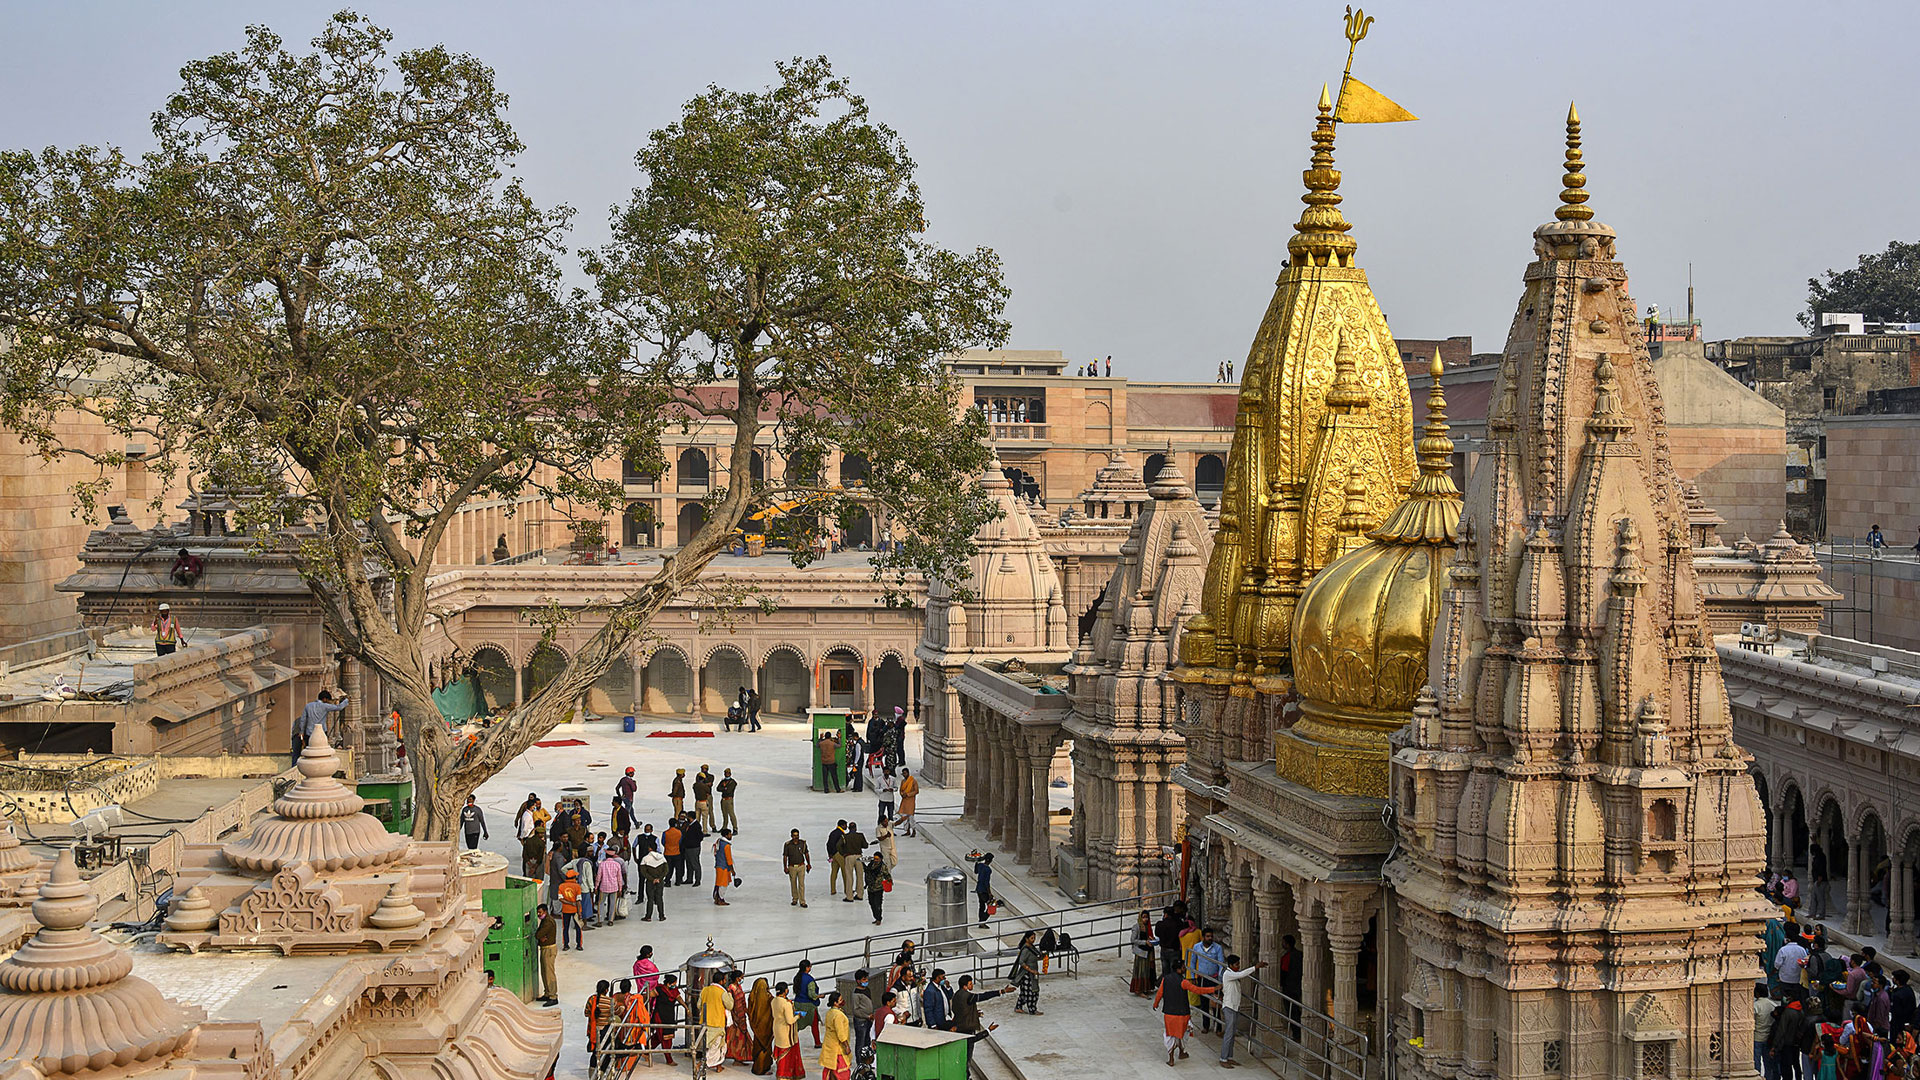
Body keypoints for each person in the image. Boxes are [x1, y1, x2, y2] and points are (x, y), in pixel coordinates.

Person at [1155, 961, 1219, 1067]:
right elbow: (1198, 990)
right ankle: (1181, 1052)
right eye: (1183, 967)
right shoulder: (1183, 982)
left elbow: (1160, 993)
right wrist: (1213, 989)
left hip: (1169, 1014)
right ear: (1179, 969)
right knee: (1182, 1034)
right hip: (1182, 1014)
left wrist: (1155, 1003)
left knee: (1170, 1035)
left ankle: (1171, 1058)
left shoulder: (1165, 979)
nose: (1185, 969)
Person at [1217, 954, 1266, 1068]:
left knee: (1232, 1033)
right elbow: (1241, 974)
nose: (1238, 966)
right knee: (1228, 1033)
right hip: (1229, 1007)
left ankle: (1229, 1057)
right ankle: (1223, 1058)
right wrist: (1255, 967)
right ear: (1230, 965)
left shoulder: (1232, 975)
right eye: (1236, 964)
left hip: (1234, 1007)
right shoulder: (1228, 974)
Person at [293, 690, 349, 764]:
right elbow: (339, 707)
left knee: (310, 754)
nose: (328, 702)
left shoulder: (308, 706)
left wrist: (301, 732)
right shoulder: (324, 706)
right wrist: (346, 700)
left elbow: (303, 720)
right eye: (328, 700)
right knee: (321, 753)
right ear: (324, 699)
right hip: (321, 733)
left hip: (309, 733)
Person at [1187, 927, 1226, 1033]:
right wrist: (1193, 976)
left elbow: (1220, 964)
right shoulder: (1197, 947)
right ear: (1203, 937)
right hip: (1202, 978)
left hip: (1213, 979)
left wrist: (1220, 979)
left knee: (1215, 1003)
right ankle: (1205, 1025)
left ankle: (1218, 1027)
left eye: (1211, 936)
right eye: (1208, 936)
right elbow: (1193, 962)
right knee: (1204, 1003)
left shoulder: (1217, 948)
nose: (1210, 938)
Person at [951, 975, 1013, 1040]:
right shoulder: (968, 996)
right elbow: (984, 996)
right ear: (965, 986)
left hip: (958, 1024)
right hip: (966, 1027)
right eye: (970, 984)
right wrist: (1001, 991)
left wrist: (973, 1013)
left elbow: (961, 1009)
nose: (972, 985)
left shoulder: (956, 994)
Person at [701, 971, 732, 1074]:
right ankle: (700, 1064)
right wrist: (729, 995)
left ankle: (718, 1066)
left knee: (714, 1047)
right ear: (722, 981)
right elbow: (730, 1006)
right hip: (717, 1023)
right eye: (724, 979)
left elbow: (698, 1005)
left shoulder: (705, 990)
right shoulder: (722, 992)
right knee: (715, 1047)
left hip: (705, 1022)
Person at [773, 981, 803, 1078]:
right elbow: (790, 1020)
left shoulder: (774, 1001)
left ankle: (780, 1074)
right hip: (785, 1031)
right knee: (786, 1056)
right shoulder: (786, 1004)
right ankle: (783, 1075)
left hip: (777, 1028)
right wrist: (798, 1016)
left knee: (780, 1051)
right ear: (785, 991)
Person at [652, 974, 684, 1066]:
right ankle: (669, 1059)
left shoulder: (674, 990)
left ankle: (644, 1050)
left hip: (669, 1017)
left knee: (659, 1037)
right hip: (660, 1017)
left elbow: (679, 999)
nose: (675, 985)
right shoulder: (659, 990)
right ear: (668, 983)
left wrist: (686, 1008)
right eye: (674, 983)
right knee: (665, 1039)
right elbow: (649, 995)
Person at [820, 992, 853, 1080]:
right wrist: (846, 1046)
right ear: (835, 1003)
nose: (842, 1001)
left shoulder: (830, 1012)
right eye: (840, 1000)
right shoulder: (838, 1015)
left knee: (830, 1070)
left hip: (829, 1046)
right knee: (842, 1073)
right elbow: (841, 1034)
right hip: (837, 1048)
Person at [517, 795, 548, 880]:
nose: (535, 807)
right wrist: (524, 838)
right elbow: (525, 829)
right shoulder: (527, 816)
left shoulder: (529, 814)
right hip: (528, 837)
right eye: (534, 806)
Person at [1012, 931, 1043, 1015]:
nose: (1033, 940)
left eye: (1034, 938)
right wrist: (1031, 970)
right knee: (1031, 992)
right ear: (1027, 939)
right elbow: (1021, 962)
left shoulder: (1032, 947)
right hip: (1027, 974)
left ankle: (1018, 1007)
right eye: (1032, 938)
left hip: (1033, 973)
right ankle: (1032, 1009)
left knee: (1025, 992)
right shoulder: (1025, 949)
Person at [587, 979, 616, 1069]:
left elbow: (586, 1013)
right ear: (607, 990)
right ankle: (602, 1073)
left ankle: (592, 1073)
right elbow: (616, 1013)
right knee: (606, 1052)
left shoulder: (591, 999)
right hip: (605, 1030)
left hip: (593, 1030)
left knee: (595, 1053)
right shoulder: (610, 1001)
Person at [1279, 934, 1303, 1040]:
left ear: (1287, 944)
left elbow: (1284, 972)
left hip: (1289, 987)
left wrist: (1281, 984)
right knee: (1296, 1010)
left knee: (1292, 1011)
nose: (1282, 944)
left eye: (1283, 942)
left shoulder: (1287, 957)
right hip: (1298, 986)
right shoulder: (1300, 954)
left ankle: (1297, 1034)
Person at [533, 904, 558, 1006]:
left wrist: (540, 936)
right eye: (538, 913)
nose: (539, 914)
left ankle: (553, 996)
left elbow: (538, 934)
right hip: (544, 948)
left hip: (549, 949)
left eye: (540, 912)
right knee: (544, 972)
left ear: (545, 911)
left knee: (549, 973)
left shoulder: (548, 922)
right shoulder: (545, 920)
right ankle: (547, 993)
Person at [848, 970, 876, 1063]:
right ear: (858, 981)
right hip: (861, 1022)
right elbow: (856, 1010)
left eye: (866, 979)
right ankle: (860, 1062)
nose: (866, 981)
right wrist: (867, 1016)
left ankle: (867, 1060)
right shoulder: (856, 993)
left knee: (867, 1041)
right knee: (860, 1042)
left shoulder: (867, 990)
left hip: (868, 1020)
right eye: (864, 979)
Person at [794, 960, 822, 1048]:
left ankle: (793, 1040)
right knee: (814, 1024)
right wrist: (819, 996)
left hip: (798, 1004)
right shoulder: (809, 979)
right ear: (807, 968)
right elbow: (811, 995)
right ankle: (817, 1042)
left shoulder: (797, 977)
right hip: (809, 1006)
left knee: (796, 1024)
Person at [750, 977, 775, 1075]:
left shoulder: (752, 997)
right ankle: (762, 1069)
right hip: (766, 1028)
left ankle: (758, 1067)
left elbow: (750, 1012)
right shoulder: (769, 998)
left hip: (756, 1028)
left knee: (758, 1047)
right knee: (765, 1048)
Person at [596, 846, 626, 926]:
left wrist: (596, 887)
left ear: (606, 855)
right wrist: (620, 889)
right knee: (613, 904)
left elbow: (598, 877)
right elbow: (619, 878)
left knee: (601, 903)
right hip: (614, 887)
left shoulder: (602, 864)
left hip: (603, 887)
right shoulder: (617, 865)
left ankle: (600, 920)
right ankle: (611, 920)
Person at [728, 972, 753, 1064]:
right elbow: (731, 1003)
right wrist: (734, 1016)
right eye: (741, 977)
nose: (741, 979)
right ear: (737, 978)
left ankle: (740, 1057)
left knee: (741, 1038)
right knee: (737, 1038)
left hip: (742, 1015)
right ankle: (737, 1057)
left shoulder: (738, 987)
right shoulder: (731, 988)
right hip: (736, 1016)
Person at [1131, 911, 1158, 995]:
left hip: (1148, 952)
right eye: (1144, 917)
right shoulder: (1137, 927)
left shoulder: (1148, 927)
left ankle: (1146, 988)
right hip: (1141, 952)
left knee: (1147, 971)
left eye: (1147, 917)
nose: (1145, 919)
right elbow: (1133, 940)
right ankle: (1139, 989)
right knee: (1141, 971)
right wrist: (1145, 942)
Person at [556, 868, 584, 950]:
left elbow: (560, 898)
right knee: (578, 928)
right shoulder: (577, 887)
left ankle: (566, 945)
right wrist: (579, 913)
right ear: (573, 878)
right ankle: (579, 945)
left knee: (565, 928)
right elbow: (578, 900)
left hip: (565, 910)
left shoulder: (561, 886)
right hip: (575, 911)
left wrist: (568, 903)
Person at [1756, 983, 1779, 1080]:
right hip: (1769, 1038)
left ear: (1757, 993)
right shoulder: (1773, 1005)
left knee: (1756, 1063)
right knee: (1768, 1063)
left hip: (1757, 1037)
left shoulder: (1756, 1006)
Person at [783, 828, 811, 907]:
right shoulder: (787, 845)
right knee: (793, 883)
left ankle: (802, 901)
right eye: (794, 835)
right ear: (791, 836)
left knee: (801, 884)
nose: (796, 837)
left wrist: (809, 864)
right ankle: (795, 899)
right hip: (792, 867)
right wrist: (785, 867)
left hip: (801, 866)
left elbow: (806, 854)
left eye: (797, 835)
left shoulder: (803, 843)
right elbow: (785, 856)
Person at [840, 824, 868, 901]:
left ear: (849, 828)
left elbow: (838, 846)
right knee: (860, 876)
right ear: (856, 828)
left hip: (849, 856)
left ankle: (849, 896)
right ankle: (860, 895)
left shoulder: (845, 837)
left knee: (849, 876)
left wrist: (843, 853)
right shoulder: (860, 835)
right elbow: (865, 845)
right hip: (859, 856)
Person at [640, 847, 668, 921]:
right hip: (660, 881)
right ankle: (661, 916)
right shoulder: (662, 858)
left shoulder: (645, 859)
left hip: (650, 882)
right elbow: (666, 870)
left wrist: (652, 879)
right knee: (659, 898)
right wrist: (659, 878)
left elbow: (643, 872)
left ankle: (648, 916)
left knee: (650, 899)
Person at [864, 852, 892, 925]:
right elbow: (867, 872)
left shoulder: (883, 867)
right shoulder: (871, 865)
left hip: (878, 888)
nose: (876, 860)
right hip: (870, 888)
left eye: (877, 859)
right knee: (871, 903)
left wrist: (889, 882)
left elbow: (887, 875)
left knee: (878, 904)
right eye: (875, 858)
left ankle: (879, 918)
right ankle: (876, 917)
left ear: (881, 859)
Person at [714, 828, 737, 906]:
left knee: (719, 882)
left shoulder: (719, 841)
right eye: (730, 834)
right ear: (726, 835)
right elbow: (729, 859)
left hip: (718, 865)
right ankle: (721, 899)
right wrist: (732, 870)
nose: (731, 836)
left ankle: (717, 898)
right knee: (723, 884)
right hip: (724, 867)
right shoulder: (727, 846)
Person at [683, 816, 707, 887]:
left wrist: (694, 843)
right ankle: (689, 879)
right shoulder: (689, 825)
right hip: (688, 847)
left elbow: (700, 836)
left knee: (695, 864)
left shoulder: (696, 826)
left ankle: (697, 880)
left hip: (693, 848)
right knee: (689, 864)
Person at [973, 853, 995, 926]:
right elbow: (986, 882)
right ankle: (982, 921)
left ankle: (981, 921)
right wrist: (989, 893)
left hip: (978, 888)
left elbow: (975, 871)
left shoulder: (980, 866)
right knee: (991, 906)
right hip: (984, 890)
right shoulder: (988, 870)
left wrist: (976, 862)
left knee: (981, 906)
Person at [693, 765, 717, 831]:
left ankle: (713, 825)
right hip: (702, 796)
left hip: (708, 796)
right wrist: (705, 784)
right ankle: (700, 828)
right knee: (699, 814)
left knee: (710, 811)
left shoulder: (710, 776)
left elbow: (709, 784)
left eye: (705, 769)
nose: (703, 770)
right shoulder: (699, 776)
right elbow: (700, 784)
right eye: (702, 769)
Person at [897, 768, 918, 838]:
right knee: (904, 816)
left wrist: (908, 794)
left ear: (908, 773)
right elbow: (901, 790)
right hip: (904, 801)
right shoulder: (903, 781)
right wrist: (902, 794)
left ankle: (914, 830)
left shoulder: (913, 781)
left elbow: (916, 791)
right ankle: (907, 830)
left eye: (905, 773)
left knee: (911, 817)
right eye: (903, 774)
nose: (904, 775)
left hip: (911, 800)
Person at [664, 817, 686, 885]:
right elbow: (680, 841)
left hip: (668, 852)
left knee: (668, 868)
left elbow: (663, 842)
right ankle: (678, 881)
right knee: (678, 868)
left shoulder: (666, 833)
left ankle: (667, 881)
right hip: (677, 852)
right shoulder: (679, 832)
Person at [720, 768, 740, 833]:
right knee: (724, 814)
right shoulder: (723, 781)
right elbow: (718, 788)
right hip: (723, 799)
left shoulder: (732, 782)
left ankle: (735, 828)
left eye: (728, 773)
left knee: (731, 814)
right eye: (725, 773)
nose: (726, 774)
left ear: (730, 774)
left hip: (729, 799)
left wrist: (724, 788)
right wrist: (724, 788)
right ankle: (724, 827)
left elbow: (729, 791)